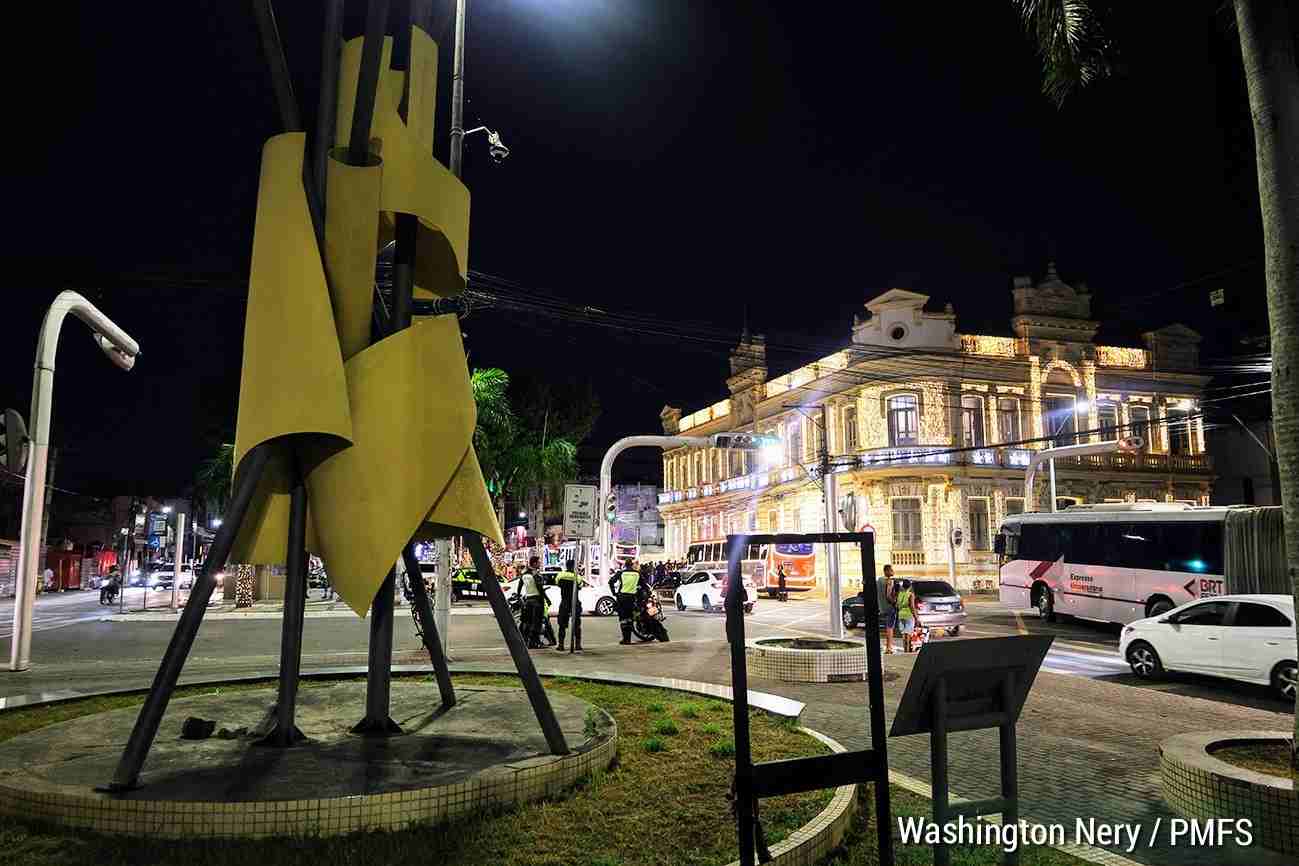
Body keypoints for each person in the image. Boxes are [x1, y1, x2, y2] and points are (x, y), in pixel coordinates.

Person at [610, 559, 641, 645]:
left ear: (625, 565)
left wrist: (614, 593)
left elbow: (611, 582)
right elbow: (643, 584)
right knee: (630, 618)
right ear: (632, 565)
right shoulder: (637, 573)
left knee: (623, 619)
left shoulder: (621, 573)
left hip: (622, 598)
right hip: (632, 598)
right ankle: (629, 639)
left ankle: (625, 639)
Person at [556, 558, 583, 652]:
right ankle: (578, 645)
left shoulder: (560, 575)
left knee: (562, 624)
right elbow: (580, 587)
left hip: (564, 602)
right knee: (576, 624)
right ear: (574, 566)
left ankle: (561, 645)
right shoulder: (577, 577)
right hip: (575, 602)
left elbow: (558, 584)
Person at [518, 557, 545, 648]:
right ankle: (535, 643)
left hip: (528, 600)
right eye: (538, 562)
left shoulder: (524, 574)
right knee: (536, 623)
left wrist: (519, 596)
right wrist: (544, 599)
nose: (540, 564)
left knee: (528, 622)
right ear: (534, 563)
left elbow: (519, 586)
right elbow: (539, 588)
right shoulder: (535, 574)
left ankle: (526, 642)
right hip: (537, 600)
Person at [894, 578, 922, 653]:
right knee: (908, 635)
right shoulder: (910, 594)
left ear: (903, 586)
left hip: (900, 615)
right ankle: (907, 651)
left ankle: (905, 650)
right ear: (910, 586)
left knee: (903, 634)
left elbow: (896, 605)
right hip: (908, 615)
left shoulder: (900, 594)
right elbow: (912, 607)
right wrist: (916, 618)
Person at [878, 565, 898, 655]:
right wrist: (895, 602)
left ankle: (888, 646)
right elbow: (888, 596)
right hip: (890, 607)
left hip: (882, 607)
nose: (893, 572)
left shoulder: (879, 580)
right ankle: (889, 647)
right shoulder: (889, 581)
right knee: (890, 628)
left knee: (887, 627)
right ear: (887, 571)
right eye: (892, 570)